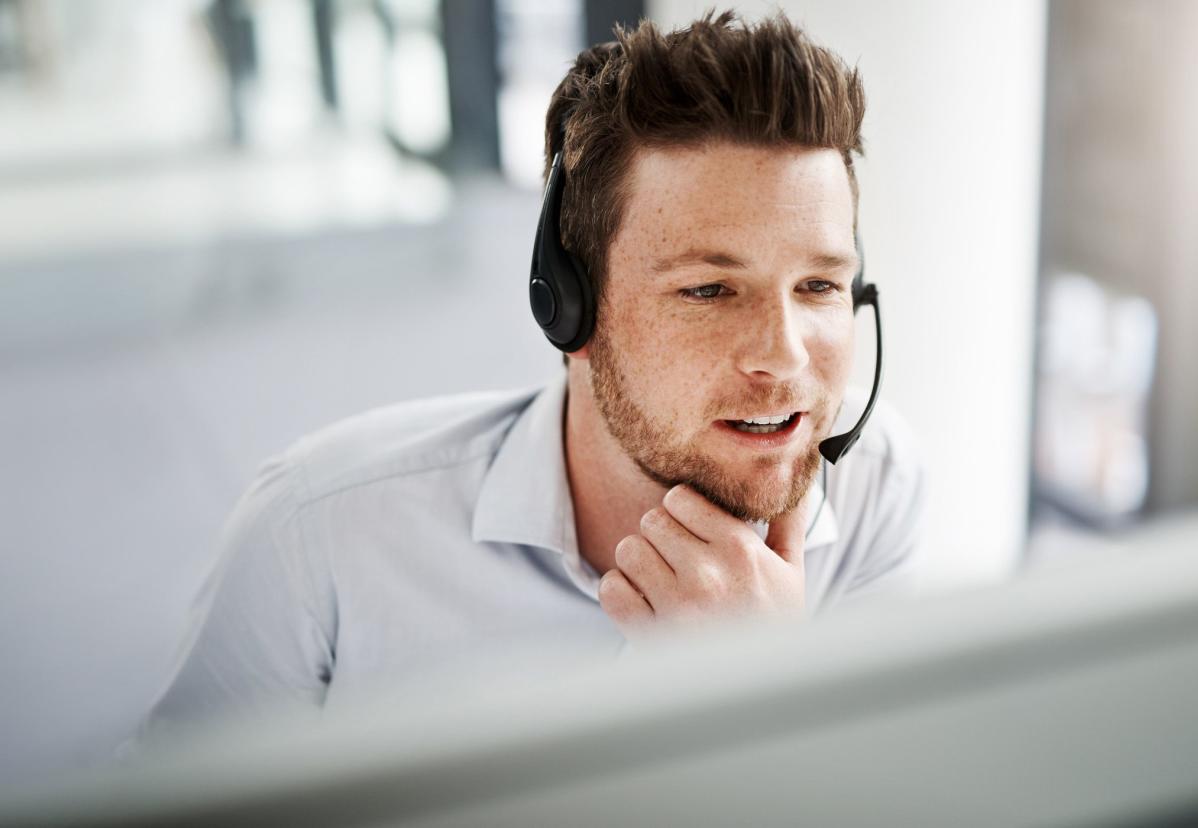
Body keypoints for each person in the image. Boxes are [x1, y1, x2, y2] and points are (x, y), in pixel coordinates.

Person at [144, 10, 925, 728]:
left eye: (819, 285)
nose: (784, 355)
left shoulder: (876, 488)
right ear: (569, 307)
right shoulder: (319, 538)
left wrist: (768, 691)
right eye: (709, 289)